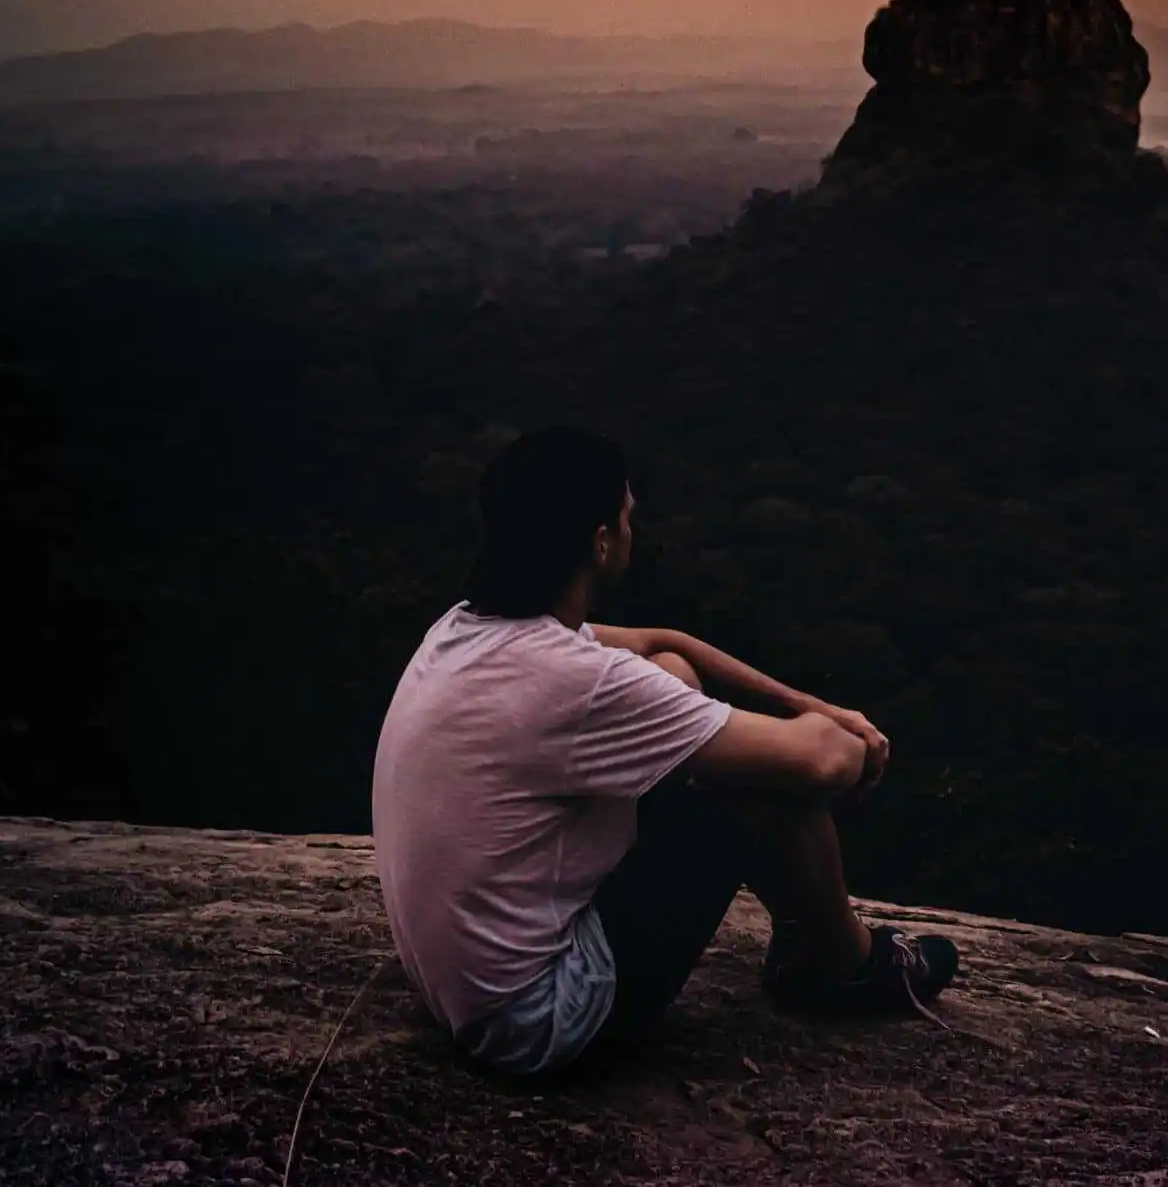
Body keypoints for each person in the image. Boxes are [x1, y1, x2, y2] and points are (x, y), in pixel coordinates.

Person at [371, 427, 959, 1076]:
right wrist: (847, 738)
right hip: (536, 1020)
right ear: (600, 542)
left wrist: (814, 706)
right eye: (626, 517)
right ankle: (845, 966)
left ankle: (815, 948)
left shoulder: (469, 626)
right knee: (755, 786)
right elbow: (823, 762)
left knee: (677, 677)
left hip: (462, 992)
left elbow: (664, 641)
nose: (631, 530)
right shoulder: (576, 681)